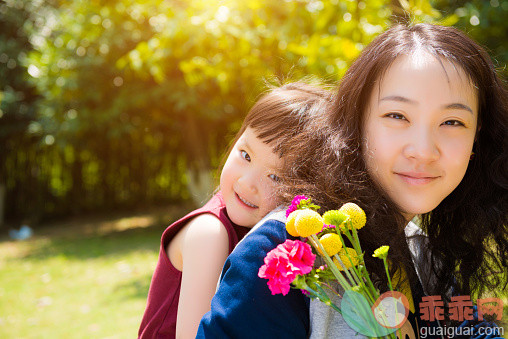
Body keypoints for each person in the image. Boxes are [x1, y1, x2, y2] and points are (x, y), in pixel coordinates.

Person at [197, 23, 507, 338]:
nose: (424, 151)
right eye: (397, 116)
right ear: (355, 123)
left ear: (476, 140)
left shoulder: (423, 252)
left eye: (452, 122)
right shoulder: (284, 252)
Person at [138, 81, 333, 338]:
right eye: (246, 155)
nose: (246, 183)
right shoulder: (210, 234)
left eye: (275, 177)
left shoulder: (272, 235)